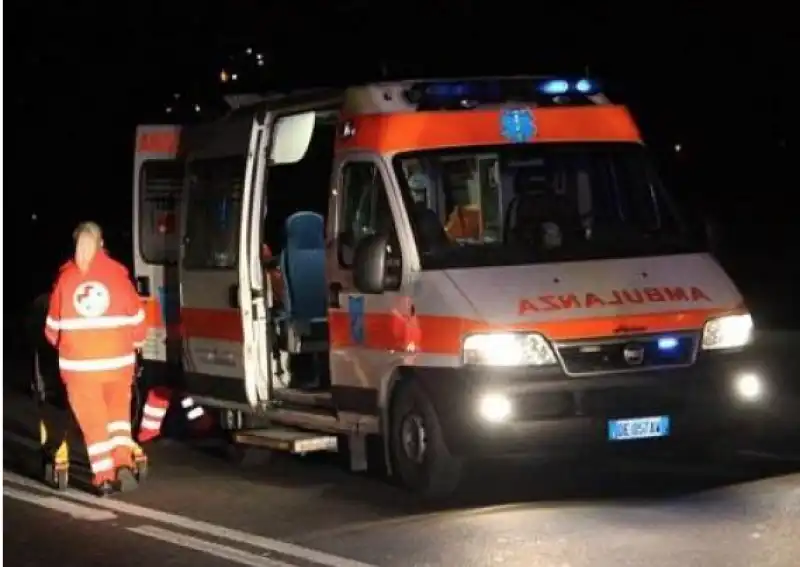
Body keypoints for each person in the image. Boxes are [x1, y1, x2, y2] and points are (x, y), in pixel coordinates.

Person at [44, 222, 146, 495]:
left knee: (94, 423)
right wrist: (135, 344)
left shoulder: (65, 281)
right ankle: (123, 462)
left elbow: (52, 329)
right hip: (119, 363)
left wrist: (66, 345)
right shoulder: (118, 276)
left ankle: (103, 477)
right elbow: (138, 319)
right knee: (118, 418)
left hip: (80, 368)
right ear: (102, 244)